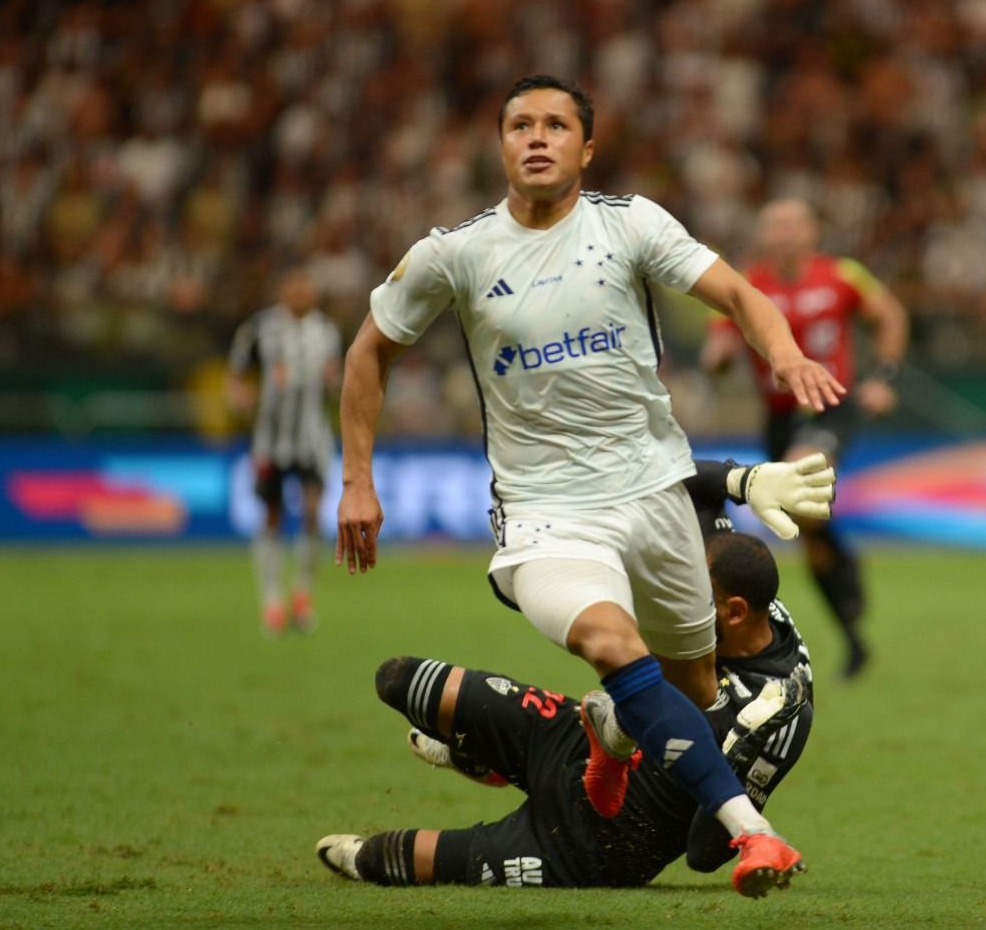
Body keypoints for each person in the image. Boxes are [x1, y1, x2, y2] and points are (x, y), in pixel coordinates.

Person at [335, 74, 843, 897]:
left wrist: (783, 353)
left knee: (692, 690)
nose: (537, 138)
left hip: (656, 495)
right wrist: (357, 480)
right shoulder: (454, 253)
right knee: (611, 644)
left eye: (556, 125)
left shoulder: (630, 224)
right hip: (547, 513)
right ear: (502, 145)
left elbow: (737, 294)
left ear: (587, 147)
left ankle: (611, 734)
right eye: (520, 125)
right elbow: (368, 351)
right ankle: (756, 836)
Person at [314, 523, 814, 891]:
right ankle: (485, 758)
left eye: (693, 598)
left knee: (383, 859)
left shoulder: (779, 713)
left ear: (735, 612)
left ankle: (477, 767)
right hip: (574, 737)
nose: (676, 602)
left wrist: (739, 748)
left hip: (602, 844)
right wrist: (737, 479)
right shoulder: (739, 594)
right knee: (400, 680)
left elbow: (702, 854)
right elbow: (687, 485)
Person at [699, 198, 909, 679]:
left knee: (800, 477)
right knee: (807, 526)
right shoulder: (744, 284)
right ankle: (851, 629)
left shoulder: (842, 275)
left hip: (830, 405)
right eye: (776, 225)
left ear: (814, 232)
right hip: (778, 417)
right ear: (762, 235)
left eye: (794, 224)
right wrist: (718, 357)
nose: (786, 233)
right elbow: (719, 346)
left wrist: (885, 377)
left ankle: (846, 580)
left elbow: (891, 315)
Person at [227, 266, 342, 635]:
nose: (300, 295)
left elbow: (335, 380)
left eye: (305, 289)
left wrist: (333, 384)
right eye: (294, 288)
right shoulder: (259, 329)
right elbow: (237, 374)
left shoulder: (327, 332)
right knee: (271, 516)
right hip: (270, 441)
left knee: (312, 511)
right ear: (282, 291)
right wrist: (241, 398)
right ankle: (273, 601)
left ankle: (303, 594)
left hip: (312, 439)